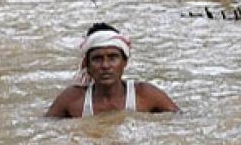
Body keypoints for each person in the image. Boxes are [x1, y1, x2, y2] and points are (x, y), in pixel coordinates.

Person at [45, 23, 179, 118]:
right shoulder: (72, 99)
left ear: (125, 62)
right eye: (97, 59)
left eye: (113, 57)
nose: (105, 65)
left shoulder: (146, 94)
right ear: (87, 64)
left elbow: (180, 121)